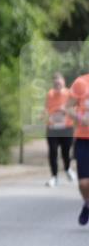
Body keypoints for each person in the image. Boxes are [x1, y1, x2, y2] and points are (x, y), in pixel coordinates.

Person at [43, 72, 76, 187]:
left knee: (65, 153)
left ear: (63, 82)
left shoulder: (69, 94)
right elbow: (46, 108)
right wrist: (45, 115)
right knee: (52, 152)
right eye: (55, 82)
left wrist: (65, 110)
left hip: (66, 127)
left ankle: (67, 169)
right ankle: (54, 177)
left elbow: (75, 110)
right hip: (53, 127)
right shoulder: (50, 94)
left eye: (59, 82)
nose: (57, 84)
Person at [66, 72, 89, 225]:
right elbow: (68, 108)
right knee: (83, 184)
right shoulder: (81, 83)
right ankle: (87, 203)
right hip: (83, 139)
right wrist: (81, 119)